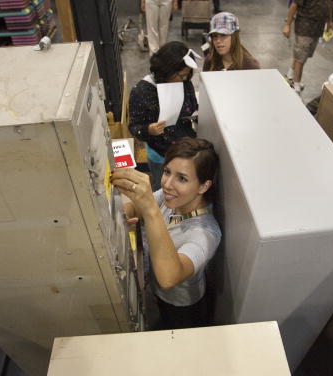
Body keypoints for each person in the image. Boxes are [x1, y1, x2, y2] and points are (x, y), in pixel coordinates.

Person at [111, 137, 222, 329]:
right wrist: (124, 215)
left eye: (182, 178)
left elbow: (169, 277)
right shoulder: (169, 197)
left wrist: (150, 210)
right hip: (158, 292)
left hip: (182, 306)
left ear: (204, 186)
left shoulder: (206, 233)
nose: (167, 184)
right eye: (167, 172)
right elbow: (135, 208)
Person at [129, 41, 200, 191]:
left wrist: (196, 115)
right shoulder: (141, 92)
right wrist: (149, 130)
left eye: (187, 75)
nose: (185, 79)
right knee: (163, 190)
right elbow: (134, 127)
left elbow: (193, 105)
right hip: (160, 157)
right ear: (167, 71)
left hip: (185, 150)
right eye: (181, 75)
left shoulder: (184, 82)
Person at [283, 0, 333, 94]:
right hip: (304, 28)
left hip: (317, 29)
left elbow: (329, 6)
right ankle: (296, 85)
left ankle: (290, 76)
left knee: (302, 55)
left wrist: (329, 21)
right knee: (301, 58)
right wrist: (287, 25)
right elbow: (294, 5)